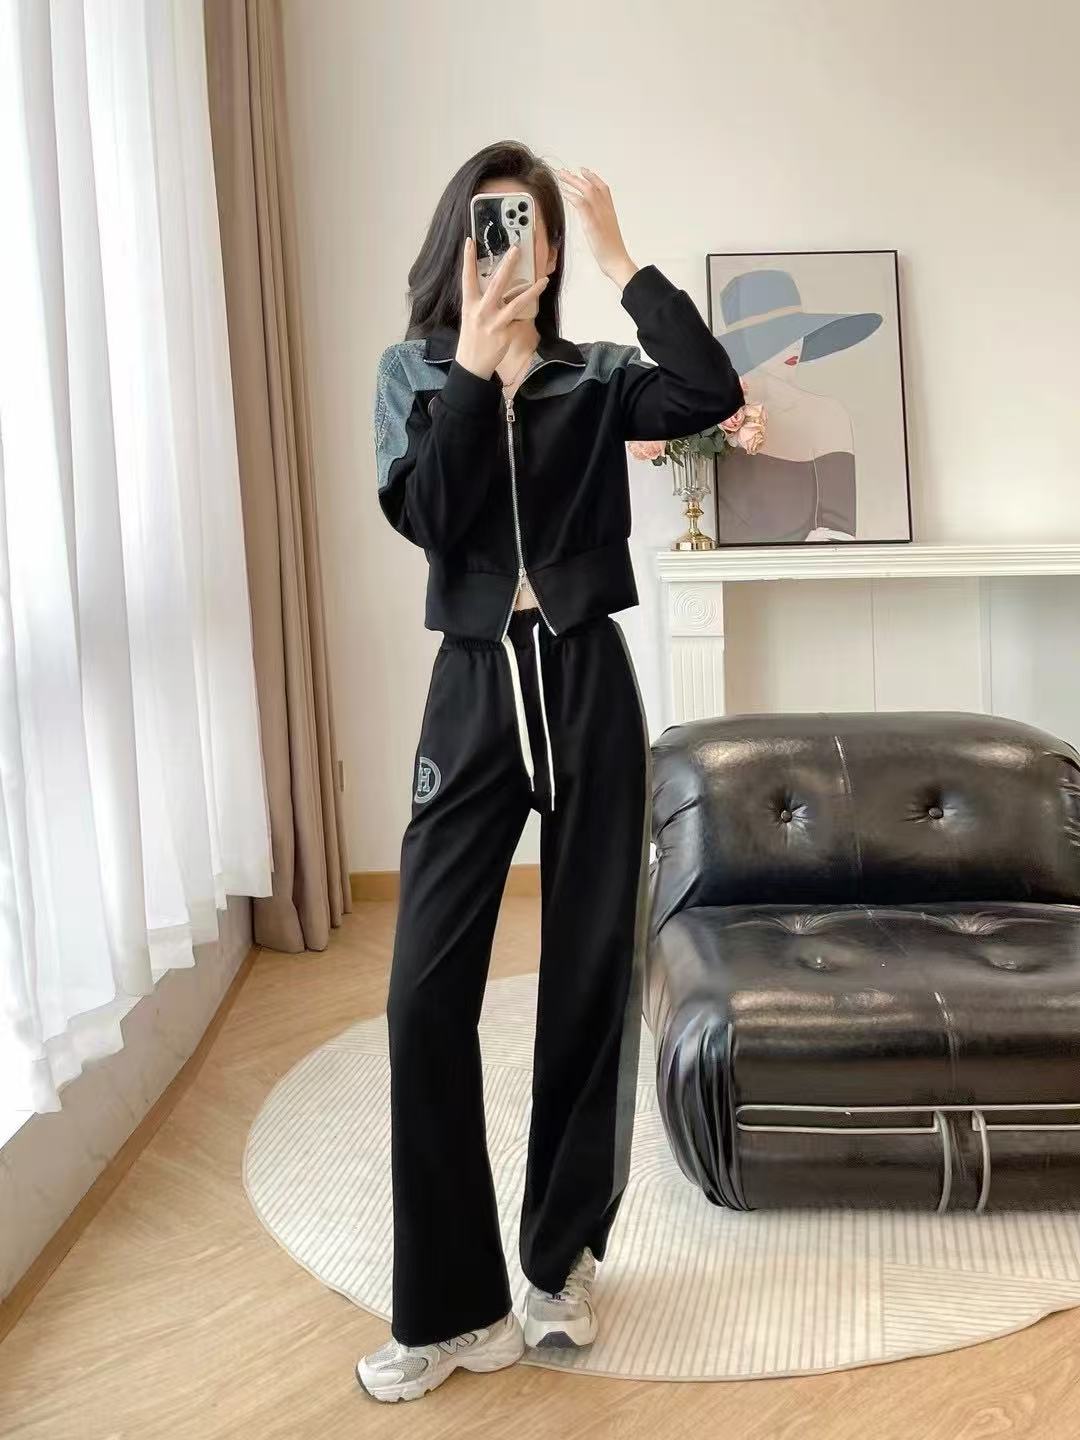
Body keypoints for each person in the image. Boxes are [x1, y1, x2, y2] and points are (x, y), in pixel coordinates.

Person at [361, 140, 742, 1402]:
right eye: (486, 225)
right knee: (424, 999)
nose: (505, 247)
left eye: (525, 226)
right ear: (456, 241)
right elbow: (427, 516)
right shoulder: (413, 375)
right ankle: (452, 1310)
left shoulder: (599, 376)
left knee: (586, 980)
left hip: (584, 682)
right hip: (474, 690)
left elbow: (708, 388)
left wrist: (627, 261)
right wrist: (474, 371)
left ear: (552, 246)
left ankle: (559, 1259)